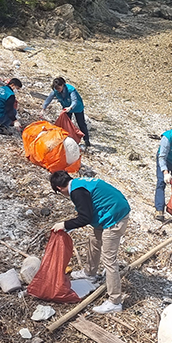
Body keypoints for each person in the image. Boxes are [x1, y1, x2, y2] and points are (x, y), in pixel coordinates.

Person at [50, 171, 131, 314]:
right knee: (94, 241)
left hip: (115, 217)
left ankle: (115, 302)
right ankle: (89, 273)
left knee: (109, 260)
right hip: (107, 212)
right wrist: (69, 227)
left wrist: (65, 224)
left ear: (59, 188)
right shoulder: (78, 183)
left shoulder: (77, 192)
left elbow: (85, 217)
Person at [42, 77, 91, 147]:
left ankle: (86, 140)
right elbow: (48, 99)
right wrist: (43, 109)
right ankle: (66, 139)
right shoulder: (55, 91)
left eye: (59, 88)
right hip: (66, 107)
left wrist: (70, 107)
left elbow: (74, 101)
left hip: (77, 107)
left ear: (63, 85)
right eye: (56, 89)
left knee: (81, 124)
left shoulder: (71, 90)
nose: (58, 90)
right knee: (66, 123)